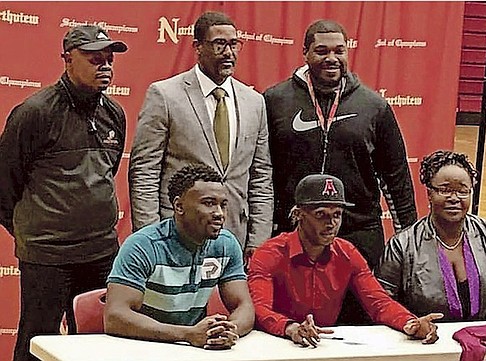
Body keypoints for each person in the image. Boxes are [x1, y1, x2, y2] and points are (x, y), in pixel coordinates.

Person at [0, 25, 127, 361]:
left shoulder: (114, 114)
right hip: (47, 257)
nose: (106, 65)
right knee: (37, 343)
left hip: (100, 253)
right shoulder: (35, 113)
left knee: (99, 345)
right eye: (95, 58)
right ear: (68, 59)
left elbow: (107, 173)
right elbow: (4, 184)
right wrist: (36, 233)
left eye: (109, 58)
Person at [264, 19, 417, 269]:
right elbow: (262, 172)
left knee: (358, 307)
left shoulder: (373, 106)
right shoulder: (275, 101)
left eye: (339, 51)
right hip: (293, 230)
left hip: (358, 232)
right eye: (322, 51)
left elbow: (396, 177)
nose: (331, 58)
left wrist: (408, 240)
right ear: (305, 53)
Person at [129, 11, 273, 264]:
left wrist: (258, 240)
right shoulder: (165, 95)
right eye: (219, 44)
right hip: (175, 236)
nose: (228, 52)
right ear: (197, 47)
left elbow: (261, 177)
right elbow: (144, 171)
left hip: (234, 240)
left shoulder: (255, 102)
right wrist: (148, 236)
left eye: (234, 44)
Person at [248, 174, 442, 347]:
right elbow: (259, 309)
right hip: (273, 344)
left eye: (337, 215)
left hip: (323, 346)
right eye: (321, 215)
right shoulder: (269, 253)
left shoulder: (347, 253)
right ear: (298, 214)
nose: (331, 224)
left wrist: (409, 323)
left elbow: (379, 302)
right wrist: (290, 329)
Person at [375, 150, 486, 321]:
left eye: (462, 191)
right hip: (428, 343)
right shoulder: (402, 245)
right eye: (445, 190)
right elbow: (382, 303)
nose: (454, 198)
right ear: (429, 194)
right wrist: (411, 326)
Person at [105, 163, 255, 350]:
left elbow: (244, 306)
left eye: (223, 205)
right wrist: (187, 334)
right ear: (179, 206)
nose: (219, 213)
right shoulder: (143, 245)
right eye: (208, 203)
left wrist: (228, 331)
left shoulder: (226, 244)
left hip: (192, 349)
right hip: (142, 345)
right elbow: (115, 317)